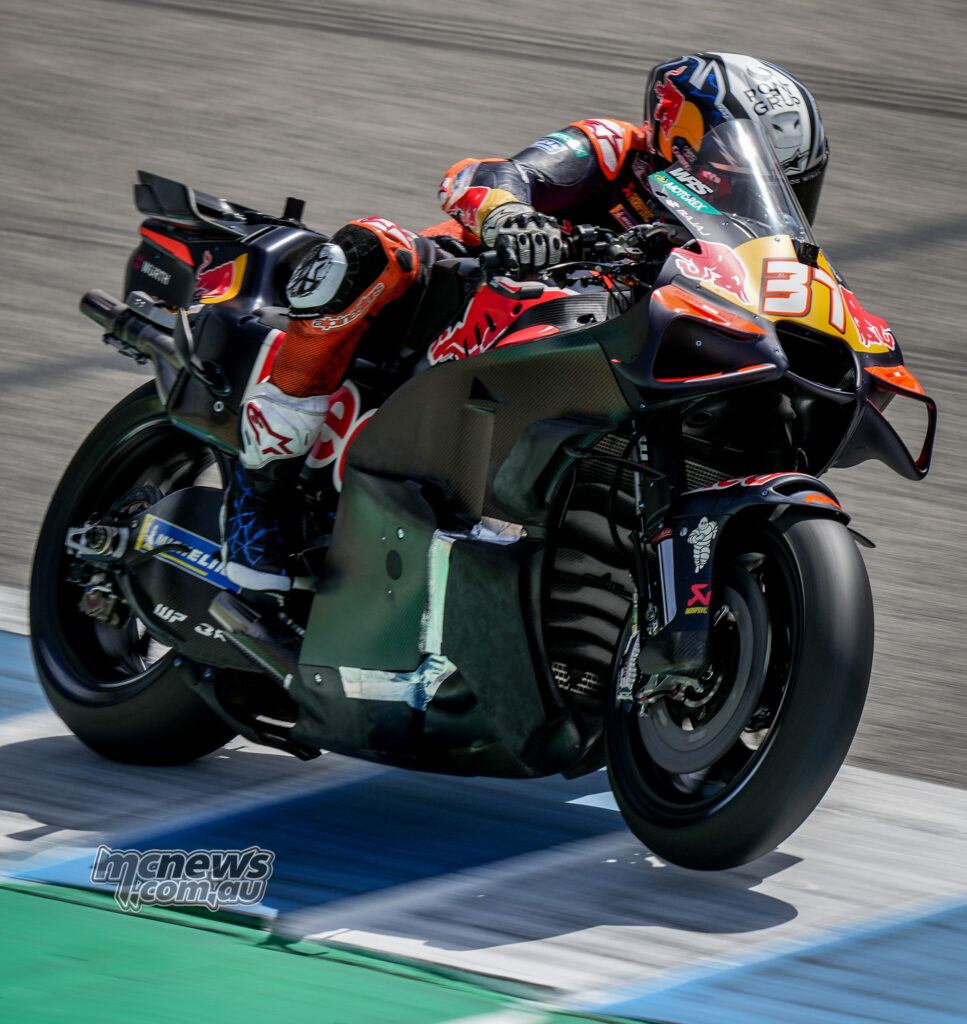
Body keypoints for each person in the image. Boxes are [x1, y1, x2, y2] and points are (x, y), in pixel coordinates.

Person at [223, 51, 829, 592]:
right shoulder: (616, 148)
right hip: (475, 288)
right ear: (687, 137)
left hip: (609, 342)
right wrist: (512, 216)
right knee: (370, 250)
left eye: (786, 183)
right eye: (743, 170)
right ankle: (260, 493)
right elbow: (488, 175)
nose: (760, 191)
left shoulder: (742, 245)